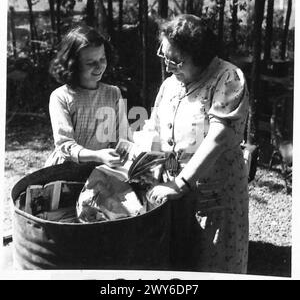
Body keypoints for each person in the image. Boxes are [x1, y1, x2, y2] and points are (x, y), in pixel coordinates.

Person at [141, 14, 249, 274]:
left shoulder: (229, 78)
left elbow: (219, 136)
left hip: (215, 200)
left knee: (213, 266)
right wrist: (159, 163)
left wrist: (181, 183)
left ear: (201, 58)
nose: (167, 66)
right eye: (163, 55)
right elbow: (166, 135)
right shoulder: (171, 85)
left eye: (175, 60)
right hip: (178, 200)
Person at [45, 25, 131, 168]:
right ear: (73, 64)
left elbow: (122, 138)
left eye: (102, 59)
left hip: (101, 168)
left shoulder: (113, 93)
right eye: (91, 63)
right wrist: (97, 155)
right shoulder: (61, 97)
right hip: (65, 170)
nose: (99, 66)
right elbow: (64, 145)